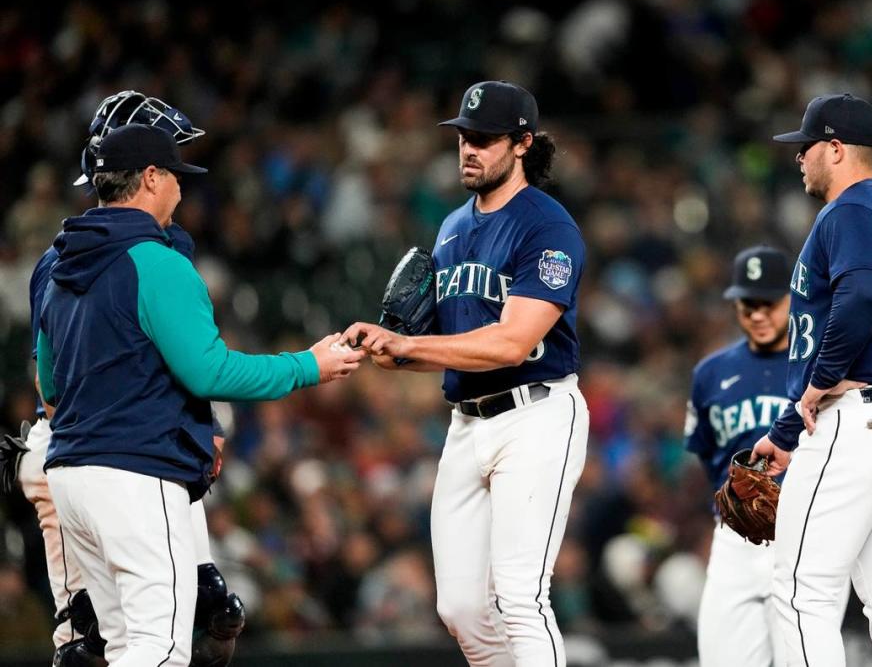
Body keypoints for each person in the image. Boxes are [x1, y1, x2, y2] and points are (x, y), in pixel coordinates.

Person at [36, 123, 365, 667]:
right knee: (159, 650)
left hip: (72, 478)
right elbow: (208, 372)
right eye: (174, 176)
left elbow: (49, 387)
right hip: (135, 473)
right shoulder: (156, 262)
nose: (182, 190)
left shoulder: (59, 267)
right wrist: (309, 365)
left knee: (121, 647)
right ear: (149, 177)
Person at [344, 80, 590, 667]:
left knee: (520, 598)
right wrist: (395, 350)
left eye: (482, 139)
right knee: (460, 608)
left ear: (522, 143)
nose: (467, 149)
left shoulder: (548, 227)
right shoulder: (452, 226)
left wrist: (412, 344)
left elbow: (511, 342)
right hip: (466, 423)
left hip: (536, 416)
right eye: (462, 138)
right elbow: (451, 343)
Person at [6, 91, 244, 667]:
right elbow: (53, 387)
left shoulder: (74, 251)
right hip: (100, 453)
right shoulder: (113, 256)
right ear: (144, 172)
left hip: (76, 456)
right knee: (127, 645)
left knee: (200, 618)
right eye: (167, 157)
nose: (179, 172)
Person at [753, 93, 872, 665]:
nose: (799, 158)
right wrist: (786, 434)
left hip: (856, 426)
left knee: (798, 591)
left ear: (835, 149)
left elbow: (862, 297)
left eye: (806, 147)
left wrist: (815, 387)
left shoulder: (851, 210)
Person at [685, 245, 792, 667]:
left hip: (803, 536)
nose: (759, 314)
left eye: (769, 303)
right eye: (749, 304)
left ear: (791, 300)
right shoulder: (709, 374)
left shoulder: (820, 367)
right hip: (734, 540)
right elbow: (706, 453)